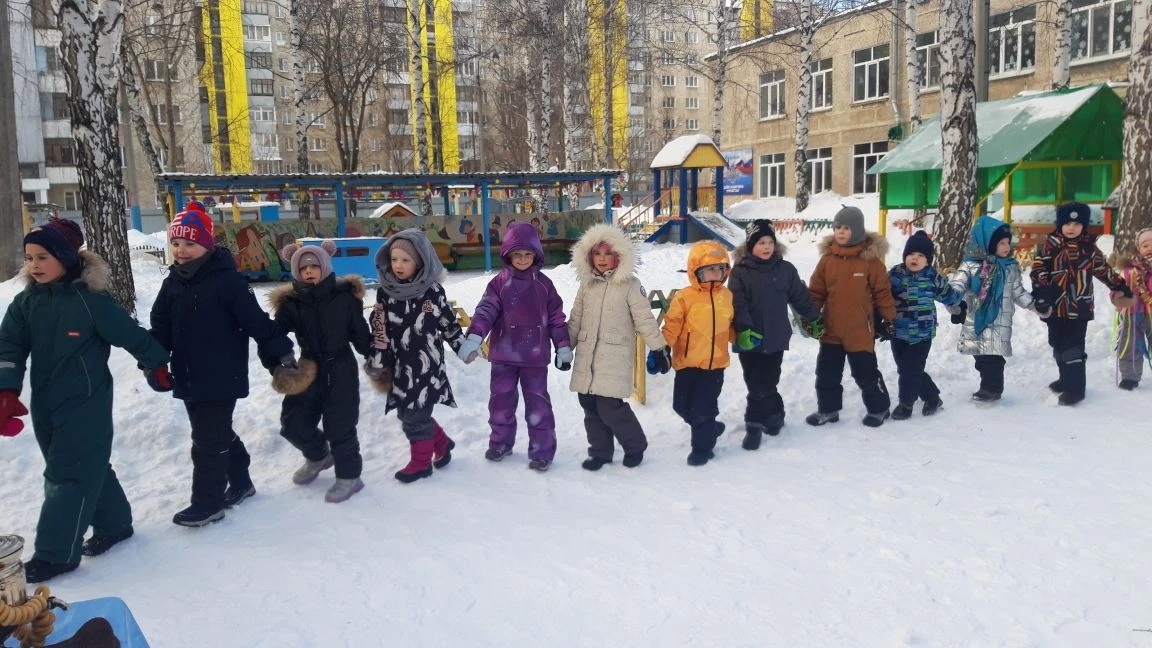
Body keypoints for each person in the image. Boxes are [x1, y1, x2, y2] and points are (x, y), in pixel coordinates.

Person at [0, 219, 170, 582]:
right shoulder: (26, 303)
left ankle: (56, 554)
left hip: (86, 401)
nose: (33, 265)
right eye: (29, 258)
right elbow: (8, 347)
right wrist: (6, 390)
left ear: (64, 258)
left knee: (67, 473)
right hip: (46, 402)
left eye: (42, 257)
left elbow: (130, 334)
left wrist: (155, 364)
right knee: (84, 464)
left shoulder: (91, 302)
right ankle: (114, 523)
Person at [150, 202, 306, 527]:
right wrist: (154, 363)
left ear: (207, 245)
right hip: (187, 373)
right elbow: (160, 327)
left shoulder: (227, 282)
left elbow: (256, 322)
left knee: (206, 440)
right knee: (212, 432)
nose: (180, 250)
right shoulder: (172, 283)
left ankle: (207, 504)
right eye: (176, 242)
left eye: (189, 243)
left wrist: (281, 353)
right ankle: (241, 479)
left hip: (222, 374)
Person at [457, 222, 571, 472]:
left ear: (536, 255)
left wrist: (562, 346)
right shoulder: (499, 284)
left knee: (538, 405)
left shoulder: (544, 285)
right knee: (501, 402)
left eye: (527, 254)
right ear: (507, 255)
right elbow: (486, 310)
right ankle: (500, 442)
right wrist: (474, 337)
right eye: (517, 254)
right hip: (504, 356)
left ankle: (542, 450)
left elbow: (556, 318)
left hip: (534, 358)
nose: (522, 259)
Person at [269, 240, 373, 503]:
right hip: (308, 368)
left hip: (340, 367)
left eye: (314, 266)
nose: (309, 271)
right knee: (293, 423)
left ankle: (350, 476)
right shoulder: (292, 303)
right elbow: (274, 334)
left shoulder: (345, 297)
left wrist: (376, 357)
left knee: (340, 425)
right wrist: (276, 357)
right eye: (303, 268)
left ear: (325, 267)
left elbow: (360, 334)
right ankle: (318, 455)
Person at [566, 224, 667, 470]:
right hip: (587, 358)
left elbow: (644, 319)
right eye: (597, 253)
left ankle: (635, 445)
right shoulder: (587, 286)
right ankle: (600, 452)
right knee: (590, 406)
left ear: (619, 255)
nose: (602, 259)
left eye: (608, 253)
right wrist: (564, 348)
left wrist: (658, 348)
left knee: (610, 408)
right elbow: (576, 318)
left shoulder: (630, 285)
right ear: (589, 256)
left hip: (614, 357)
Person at [370, 229, 463, 483]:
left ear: (420, 262)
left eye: (405, 260)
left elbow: (448, 322)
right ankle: (442, 443)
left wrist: (462, 347)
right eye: (394, 259)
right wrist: (378, 360)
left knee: (415, 418)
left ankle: (421, 464)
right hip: (399, 366)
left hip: (426, 366)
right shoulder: (386, 292)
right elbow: (380, 329)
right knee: (406, 413)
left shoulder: (432, 291)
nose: (398, 265)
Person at [728, 219, 822, 448]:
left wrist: (814, 318)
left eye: (770, 242)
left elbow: (800, 297)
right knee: (756, 383)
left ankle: (772, 416)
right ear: (751, 245)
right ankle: (756, 424)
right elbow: (737, 303)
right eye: (761, 242)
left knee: (769, 380)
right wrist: (744, 329)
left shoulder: (785, 270)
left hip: (776, 337)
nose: (767, 247)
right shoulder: (740, 272)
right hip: (749, 339)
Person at [1030, 202, 1131, 405]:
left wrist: (1120, 285)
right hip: (1055, 306)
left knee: (1073, 347)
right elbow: (1038, 269)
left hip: (1079, 308)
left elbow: (1104, 271)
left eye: (1077, 224)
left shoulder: (1089, 249)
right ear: (1060, 224)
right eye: (1067, 223)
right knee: (1057, 344)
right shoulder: (1050, 246)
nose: (1071, 228)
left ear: (1084, 226)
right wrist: (1041, 291)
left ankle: (1075, 389)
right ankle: (1065, 379)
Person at [806, 206, 896, 427]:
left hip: (860, 331)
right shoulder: (827, 260)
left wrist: (889, 318)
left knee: (865, 374)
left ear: (856, 230)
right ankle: (828, 410)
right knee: (826, 373)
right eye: (837, 227)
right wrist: (810, 315)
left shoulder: (870, 261)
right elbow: (816, 291)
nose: (840, 231)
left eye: (846, 228)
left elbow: (882, 292)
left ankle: (879, 408)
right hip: (832, 329)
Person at [949, 215, 1043, 402]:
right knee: (980, 356)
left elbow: (1018, 292)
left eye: (1008, 242)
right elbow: (957, 285)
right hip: (975, 318)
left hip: (999, 320)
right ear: (988, 243)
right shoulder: (970, 265)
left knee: (992, 357)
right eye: (1001, 243)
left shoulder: (1009, 267)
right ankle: (989, 384)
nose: (1007, 247)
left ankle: (992, 389)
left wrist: (1035, 306)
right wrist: (953, 302)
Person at [660, 240, 734, 466]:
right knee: (681, 406)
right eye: (709, 269)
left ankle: (702, 449)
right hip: (687, 364)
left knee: (703, 410)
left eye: (719, 268)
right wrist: (662, 348)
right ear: (696, 271)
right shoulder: (685, 297)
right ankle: (710, 428)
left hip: (714, 366)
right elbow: (671, 326)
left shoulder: (727, 296)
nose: (715, 273)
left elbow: (731, 326)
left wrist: (741, 336)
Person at [887, 230, 964, 419]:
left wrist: (959, 305)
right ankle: (932, 397)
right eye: (911, 254)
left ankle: (906, 405)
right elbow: (882, 295)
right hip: (898, 332)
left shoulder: (932, 277)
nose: (915, 258)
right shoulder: (895, 275)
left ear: (928, 261)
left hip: (922, 334)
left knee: (909, 370)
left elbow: (948, 295)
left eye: (921, 256)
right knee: (907, 369)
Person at [1110, 228, 1152, 391]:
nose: (1149, 248)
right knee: (1129, 344)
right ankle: (1130, 376)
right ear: (1138, 249)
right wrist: (1119, 296)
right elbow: (1117, 286)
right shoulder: (1129, 270)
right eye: (1145, 245)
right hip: (1132, 313)